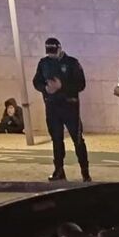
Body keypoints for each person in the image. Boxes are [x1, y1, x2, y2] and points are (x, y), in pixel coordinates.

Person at [33, 36, 89, 182]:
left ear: (60, 48)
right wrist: (45, 88)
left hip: (70, 106)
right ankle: (59, 170)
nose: (51, 55)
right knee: (56, 140)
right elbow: (36, 81)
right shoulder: (44, 63)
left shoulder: (72, 63)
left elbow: (81, 84)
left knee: (78, 140)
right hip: (52, 107)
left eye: (53, 51)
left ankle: (85, 171)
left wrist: (62, 87)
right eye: (49, 52)